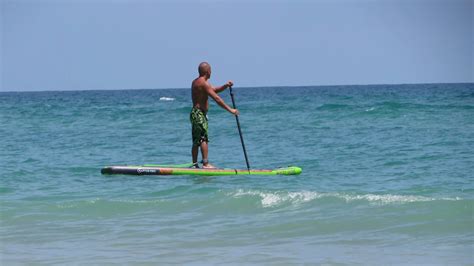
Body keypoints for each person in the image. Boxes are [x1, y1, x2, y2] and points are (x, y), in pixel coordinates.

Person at [190, 62, 239, 168]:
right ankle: (206, 164)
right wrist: (231, 110)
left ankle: (195, 165)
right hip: (199, 114)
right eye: (210, 70)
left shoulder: (196, 82)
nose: (211, 72)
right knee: (203, 138)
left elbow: (214, 90)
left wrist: (225, 86)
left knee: (196, 140)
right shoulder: (203, 83)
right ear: (207, 71)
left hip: (195, 114)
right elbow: (216, 98)